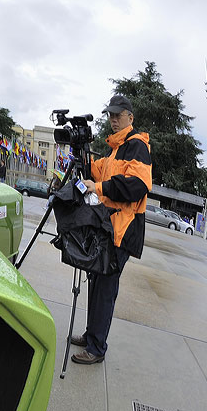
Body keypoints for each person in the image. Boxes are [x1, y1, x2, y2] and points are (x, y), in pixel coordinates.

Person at [71, 94, 152, 364]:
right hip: (108, 229)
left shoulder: (136, 146)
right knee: (96, 284)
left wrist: (99, 188)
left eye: (118, 115)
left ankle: (96, 348)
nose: (113, 119)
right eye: (110, 115)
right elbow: (95, 171)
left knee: (105, 289)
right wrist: (80, 153)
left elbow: (137, 186)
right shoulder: (115, 149)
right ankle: (91, 335)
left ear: (130, 117)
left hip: (123, 231)